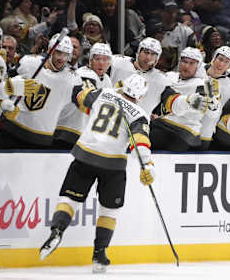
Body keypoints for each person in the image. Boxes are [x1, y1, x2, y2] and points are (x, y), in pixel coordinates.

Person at [40, 73, 154, 273]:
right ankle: (99, 254)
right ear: (141, 96)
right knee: (109, 210)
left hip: (85, 154)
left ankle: (57, 229)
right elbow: (140, 144)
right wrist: (148, 166)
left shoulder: (104, 93)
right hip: (113, 164)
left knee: (70, 199)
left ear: (122, 86)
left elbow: (80, 97)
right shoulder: (139, 114)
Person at [0, 33, 83, 149]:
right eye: (58, 53)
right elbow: (3, 81)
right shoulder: (29, 63)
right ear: (50, 50)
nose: (61, 58)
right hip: (12, 131)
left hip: (42, 139)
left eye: (66, 54)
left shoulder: (73, 79)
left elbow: (80, 102)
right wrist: (4, 101)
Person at [150, 46, 221, 151]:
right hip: (163, 125)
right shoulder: (169, 77)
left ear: (199, 65)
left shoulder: (204, 84)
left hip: (184, 132)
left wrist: (214, 103)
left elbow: (212, 113)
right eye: (184, 61)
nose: (186, 66)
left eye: (192, 63)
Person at [53, 43, 113, 150]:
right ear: (90, 60)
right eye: (97, 59)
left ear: (109, 63)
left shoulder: (106, 79)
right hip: (66, 132)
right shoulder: (85, 74)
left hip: (81, 133)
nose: (101, 63)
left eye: (105, 60)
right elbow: (89, 100)